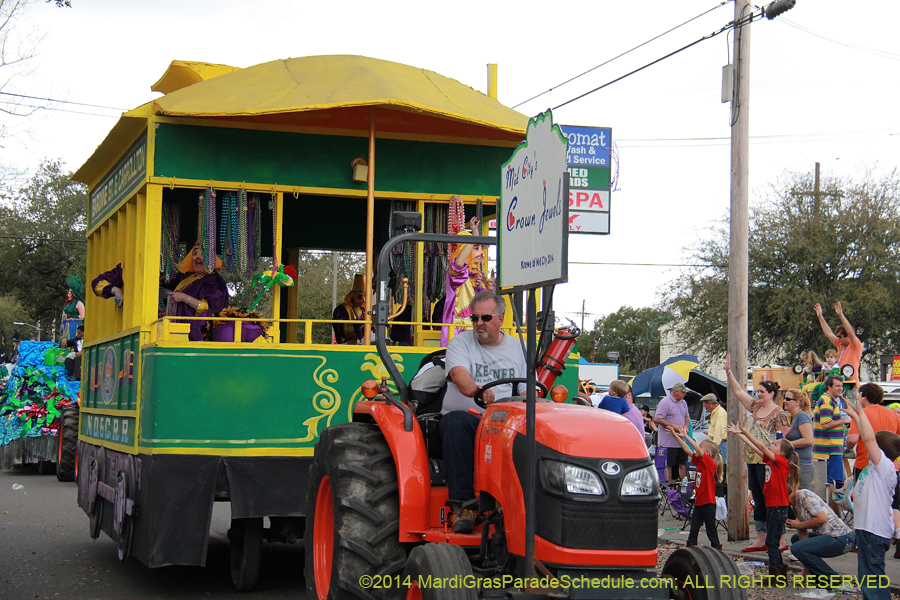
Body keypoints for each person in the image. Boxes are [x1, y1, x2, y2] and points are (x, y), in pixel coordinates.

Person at [439, 290, 527, 534]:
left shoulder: (521, 348)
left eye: (485, 318)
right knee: (455, 423)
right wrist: (475, 391)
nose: (479, 323)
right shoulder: (460, 343)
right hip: (471, 418)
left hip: (506, 422)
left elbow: (527, 391)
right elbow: (459, 374)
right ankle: (464, 507)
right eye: (474, 318)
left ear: (500, 319)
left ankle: (525, 507)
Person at [724, 353, 791, 551]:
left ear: (771, 394)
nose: (758, 394)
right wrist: (728, 372)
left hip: (768, 460)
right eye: (758, 391)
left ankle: (779, 539)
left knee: (771, 499)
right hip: (752, 457)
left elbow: (784, 439)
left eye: (762, 392)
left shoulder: (779, 414)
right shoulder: (754, 407)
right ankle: (761, 538)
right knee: (758, 498)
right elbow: (738, 392)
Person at [843, 392, 900, 600]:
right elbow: (868, 437)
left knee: (872, 579)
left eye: (873, 445)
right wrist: (855, 417)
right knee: (868, 577)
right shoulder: (879, 466)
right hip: (869, 529)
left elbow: (868, 438)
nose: (867, 445)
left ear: (879, 450)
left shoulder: (882, 466)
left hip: (873, 531)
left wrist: (860, 411)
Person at [727, 422, 799, 580]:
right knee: (772, 541)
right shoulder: (772, 461)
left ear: (782, 452)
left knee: (772, 542)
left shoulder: (781, 462)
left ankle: (776, 575)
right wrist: (740, 435)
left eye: (775, 444)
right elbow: (757, 449)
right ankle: (779, 572)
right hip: (773, 506)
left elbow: (761, 446)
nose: (771, 445)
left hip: (778, 507)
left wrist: (746, 433)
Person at [155, 243, 229, 341]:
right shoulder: (191, 279)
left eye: (203, 254)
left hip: (198, 335)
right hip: (180, 332)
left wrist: (185, 298)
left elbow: (212, 309)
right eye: (195, 253)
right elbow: (188, 308)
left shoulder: (213, 280)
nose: (198, 257)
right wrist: (171, 311)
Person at [440, 216, 493, 346]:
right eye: (476, 248)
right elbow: (459, 263)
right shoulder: (457, 271)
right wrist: (473, 237)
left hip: (479, 329)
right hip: (458, 331)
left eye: (481, 248)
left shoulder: (479, 277)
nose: (481, 253)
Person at [670, 425, 722, 550]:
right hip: (699, 501)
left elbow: (697, 449)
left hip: (708, 503)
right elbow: (688, 450)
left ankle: (716, 547)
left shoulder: (710, 463)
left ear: (707, 453)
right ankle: (691, 545)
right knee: (694, 527)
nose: (698, 447)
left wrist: (687, 436)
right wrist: (676, 436)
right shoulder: (700, 462)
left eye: (701, 447)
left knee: (710, 528)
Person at [786, 487, 855, 579]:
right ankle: (815, 575)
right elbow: (802, 534)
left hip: (841, 537)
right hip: (830, 536)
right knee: (796, 541)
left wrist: (799, 525)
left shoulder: (803, 495)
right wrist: (805, 569)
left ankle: (832, 578)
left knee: (796, 548)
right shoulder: (794, 506)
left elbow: (822, 518)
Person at [812, 375, 852, 512]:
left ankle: (832, 514)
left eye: (841, 386)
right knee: (833, 483)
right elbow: (826, 424)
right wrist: (844, 420)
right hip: (829, 449)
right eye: (837, 386)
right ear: (829, 387)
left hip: (831, 448)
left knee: (832, 483)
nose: (840, 388)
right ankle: (835, 515)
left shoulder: (833, 401)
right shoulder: (826, 401)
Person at [815, 301, 863, 387]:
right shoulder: (840, 345)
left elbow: (850, 332)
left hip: (850, 384)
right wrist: (820, 317)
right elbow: (828, 334)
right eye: (837, 336)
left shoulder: (855, 345)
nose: (838, 339)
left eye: (840, 336)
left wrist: (841, 315)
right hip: (839, 383)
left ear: (847, 336)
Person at [652, 382, 691, 483]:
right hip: (668, 442)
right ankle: (669, 486)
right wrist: (674, 427)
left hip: (681, 441)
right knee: (669, 464)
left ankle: (684, 484)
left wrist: (686, 427)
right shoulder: (665, 402)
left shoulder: (683, 403)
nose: (685, 394)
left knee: (683, 463)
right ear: (676, 392)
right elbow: (657, 419)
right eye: (683, 392)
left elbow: (687, 418)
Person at [784, 388, 815, 490]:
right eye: (784, 398)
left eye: (788, 399)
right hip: (795, 465)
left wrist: (787, 444)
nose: (784, 401)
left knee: (799, 496)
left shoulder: (802, 416)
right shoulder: (795, 417)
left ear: (797, 402)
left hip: (802, 466)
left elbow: (808, 440)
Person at [332, 274, 366, 345]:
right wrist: (359, 324)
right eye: (359, 296)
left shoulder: (364, 309)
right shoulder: (342, 309)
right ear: (353, 296)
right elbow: (341, 329)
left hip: (363, 343)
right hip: (345, 343)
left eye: (365, 296)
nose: (363, 300)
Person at [702, 394, 727, 465]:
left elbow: (719, 431)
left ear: (709, 403)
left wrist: (714, 446)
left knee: (718, 465)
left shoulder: (720, 413)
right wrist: (710, 432)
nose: (704, 406)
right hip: (718, 443)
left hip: (719, 444)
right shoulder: (715, 412)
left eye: (705, 404)